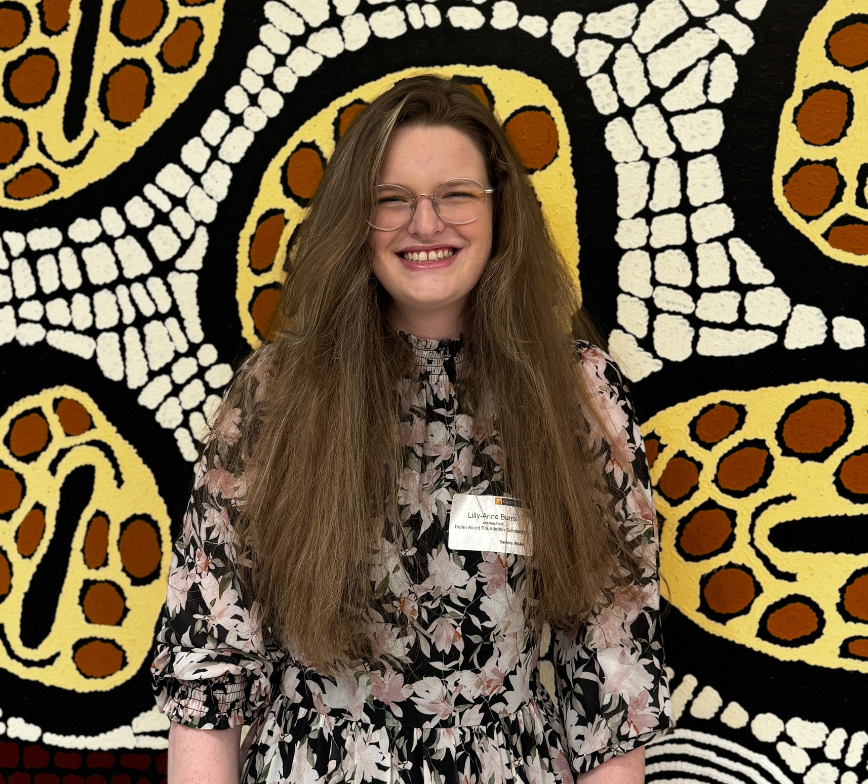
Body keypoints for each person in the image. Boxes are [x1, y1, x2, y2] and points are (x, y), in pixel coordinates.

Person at [151, 75, 673, 784]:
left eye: (455, 195)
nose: (425, 225)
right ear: (354, 223)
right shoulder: (278, 394)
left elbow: (613, 669)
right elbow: (208, 663)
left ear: (500, 209)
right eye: (390, 201)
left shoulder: (576, 394)